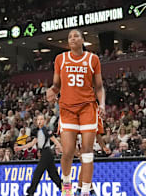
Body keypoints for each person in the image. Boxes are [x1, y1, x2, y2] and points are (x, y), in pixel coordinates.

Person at [46, 30, 105, 196]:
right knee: (68, 151)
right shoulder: (60, 59)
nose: (73, 38)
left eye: (76, 36)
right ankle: (66, 185)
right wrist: (51, 91)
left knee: (87, 150)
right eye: (70, 37)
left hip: (87, 107)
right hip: (67, 108)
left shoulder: (93, 59)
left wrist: (102, 104)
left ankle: (85, 190)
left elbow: (99, 87)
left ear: (83, 40)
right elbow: (56, 85)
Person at [14, 114, 62, 196]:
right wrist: (21, 148)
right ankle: (65, 189)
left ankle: (30, 193)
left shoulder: (45, 130)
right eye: (38, 119)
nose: (39, 121)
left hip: (47, 153)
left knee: (37, 173)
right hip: (45, 154)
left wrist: (61, 148)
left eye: (41, 119)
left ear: (44, 120)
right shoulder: (38, 131)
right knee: (53, 175)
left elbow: (54, 139)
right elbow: (32, 143)